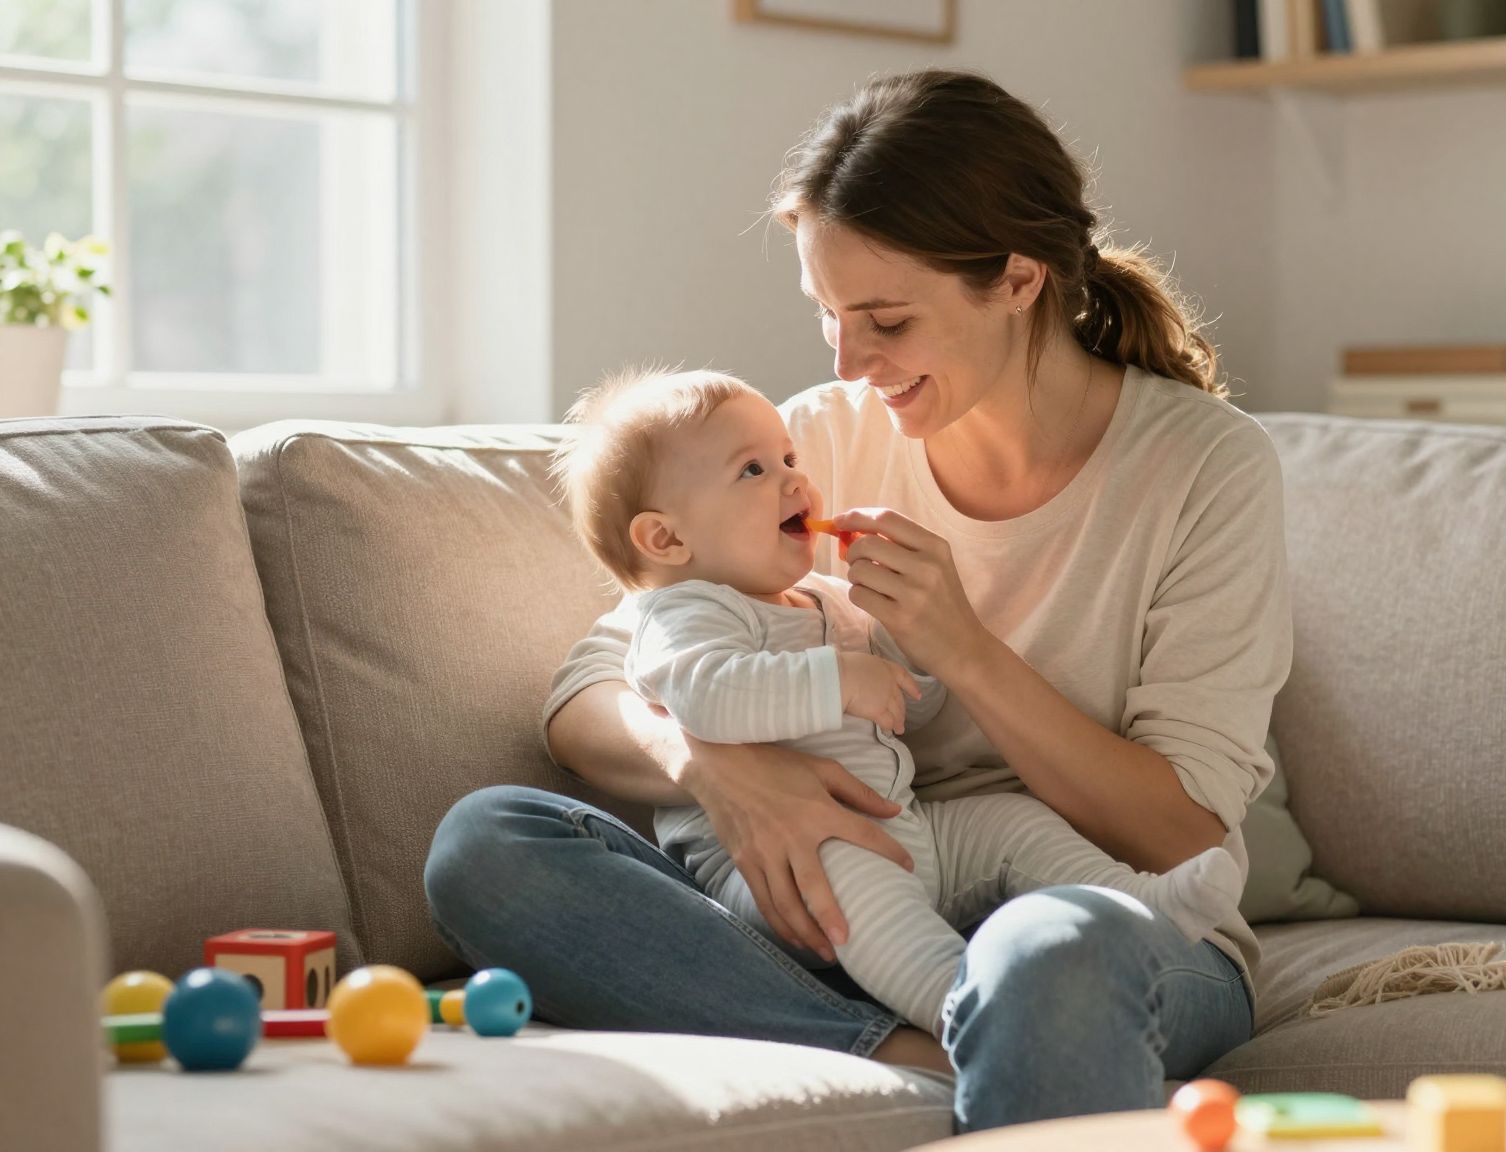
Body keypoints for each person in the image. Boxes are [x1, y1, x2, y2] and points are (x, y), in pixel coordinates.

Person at [423, 68, 1292, 1132]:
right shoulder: (813, 440)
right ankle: (909, 1043)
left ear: (1018, 279)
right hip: (838, 902)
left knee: (1041, 955)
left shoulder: (1203, 468)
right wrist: (715, 770)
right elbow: (588, 691)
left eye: (884, 318)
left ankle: (941, 1019)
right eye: (828, 314)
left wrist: (964, 651)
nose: (847, 359)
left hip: (1096, 922)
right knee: (487, 845)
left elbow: (1180, 833)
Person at [546, 365, 1245, 1036]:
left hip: (903, 826)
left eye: (788, 459)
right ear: (666, 538)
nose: (794, 478)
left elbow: (908, 709)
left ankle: (1143, 902)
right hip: (794, 868)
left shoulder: (821, 596)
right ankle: (959, 1009)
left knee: (1012, 825)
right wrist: (833, 685)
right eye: (754, 470)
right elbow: (702, 695)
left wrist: (918, 651)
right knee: (848, 880)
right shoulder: (686, 610)